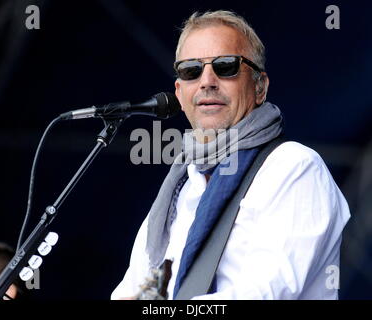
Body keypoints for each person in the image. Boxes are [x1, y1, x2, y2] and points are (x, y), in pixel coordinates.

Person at [111, 10, 350, 300]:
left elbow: (264, 294)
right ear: (180, 93)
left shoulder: (294, 166)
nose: (207, 81)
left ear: (259, 87)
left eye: (226, 66)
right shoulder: (178, 190)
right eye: (191, 70)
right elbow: (130, 292)